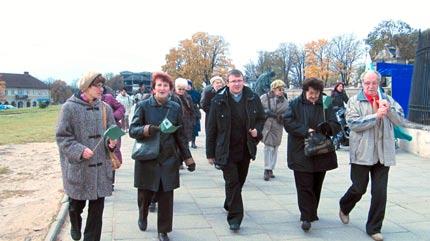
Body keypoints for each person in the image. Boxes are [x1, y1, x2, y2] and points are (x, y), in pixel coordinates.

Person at [338, 70, 404, 241]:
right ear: (362, 83)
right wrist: (376, 116)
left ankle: (374, 228)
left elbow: (400, 120)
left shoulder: (387, 99)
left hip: (383, 153)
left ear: (379, 83)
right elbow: (353, 124)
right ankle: (345, 206)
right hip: (362, 152)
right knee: (359, 188)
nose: (371, 86)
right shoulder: (354, 101)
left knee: (380, 193)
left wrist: (388, 111)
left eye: (374, 83)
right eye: (367, 83)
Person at [129, 71, 196, 241]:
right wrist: (147, 129)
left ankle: (163, 230)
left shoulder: (175, 107)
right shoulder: (143, 106)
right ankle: (142, 215)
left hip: (168, 158)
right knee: (145, 194)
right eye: (159, 85)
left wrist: (188, 158)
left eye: (166, 85)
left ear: (170, 89)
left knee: (166, 196)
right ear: (153, 89)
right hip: (147, 157)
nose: (162, 88)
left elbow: (180, 135)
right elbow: (132, 130)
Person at [56, 72, 118, 241]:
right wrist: (79, 150)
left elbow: (111, 132)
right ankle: (75, 224)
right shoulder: (69, 108)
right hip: (79, 168)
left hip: (100, 169)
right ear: (85, 87)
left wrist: (112, 143)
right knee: (76, 206)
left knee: (97, 213)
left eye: (102, 85)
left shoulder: (105, 108)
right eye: (96, 85)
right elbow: (62, 137)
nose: (101, 89)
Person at [206, 69, 265, 231]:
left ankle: (229, 202)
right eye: (233, 81)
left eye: (239, 81)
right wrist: (210, 153)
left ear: (243, 81)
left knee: (240, 181)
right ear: (228, 83)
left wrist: (257, 131)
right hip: (226, 149)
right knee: (232, 182)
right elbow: (211, 128)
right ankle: (235, 218)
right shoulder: (218, 100)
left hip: (245, 148)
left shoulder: (252, 97)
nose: (237, 84)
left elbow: (261, 118)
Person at [284, 77, 341, 232]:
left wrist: (326, 128)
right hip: (300, 151)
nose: (313, 96)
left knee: (316, 184)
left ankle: (312, 212)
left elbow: (336, 125)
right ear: (305, 91)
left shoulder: (326, 103)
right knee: (304, 185)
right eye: (311, 93)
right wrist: (305, 130)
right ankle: (306, 216)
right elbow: (287, 123)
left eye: (316, 93)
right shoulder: (295, 104)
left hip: (321, 151)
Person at [260, 79, 289, 181]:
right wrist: (266, 112)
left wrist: (280, 116)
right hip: (267, 125)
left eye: (282, 89)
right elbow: (258, 109)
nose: (281, 91)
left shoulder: (285, 101)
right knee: (268, 147)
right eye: (279, 89)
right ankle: (267, 169)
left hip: (277, 126)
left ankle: (271, 168)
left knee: (275, 148)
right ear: (274, 89)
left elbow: (288, 113)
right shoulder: (265, 97)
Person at [101, 86, 125, 190]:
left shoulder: (109, 98)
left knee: (113, 152)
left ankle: (110, 183)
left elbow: (121, 108)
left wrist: (113, 116)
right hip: (99, 131)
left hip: (113, 128)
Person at [171, 78, 196, 149]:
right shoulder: (172, 97)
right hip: (176, 124)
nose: (182, 91)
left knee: (185, 145)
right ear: (175, 88)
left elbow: (192, 110)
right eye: (179, 89)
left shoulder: (188, 97)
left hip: (187, 124)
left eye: (183, 89)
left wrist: (192, 121)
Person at [187, 80, 201, 148]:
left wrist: (199, 107)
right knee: (186, 128)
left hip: (194, 112)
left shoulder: (196, 93)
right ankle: (186, 143)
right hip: (185, 112)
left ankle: (193, 143)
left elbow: (201, 102)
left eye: (189, 85)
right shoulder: (183, 93)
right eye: (187, 85)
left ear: (191, 86)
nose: (188, 87)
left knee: (194, 128)